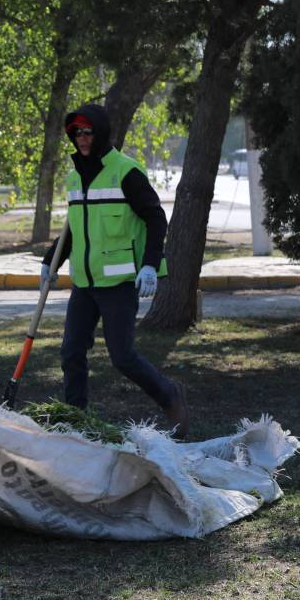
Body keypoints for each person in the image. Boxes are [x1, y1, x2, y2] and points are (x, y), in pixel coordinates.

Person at [41, 104, 189, 438]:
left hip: (120, 282)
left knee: (122, 357)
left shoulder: (126, 172)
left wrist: (150, 264)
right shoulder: (74, 177)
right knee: (71, 352)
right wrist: (50, 262)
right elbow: (73, 228)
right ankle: (75, 421)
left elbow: (155, 218)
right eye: (77, 133)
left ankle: (170, 395)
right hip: (85, 283)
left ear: (101, 133)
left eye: (88, 132)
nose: (82, 138)